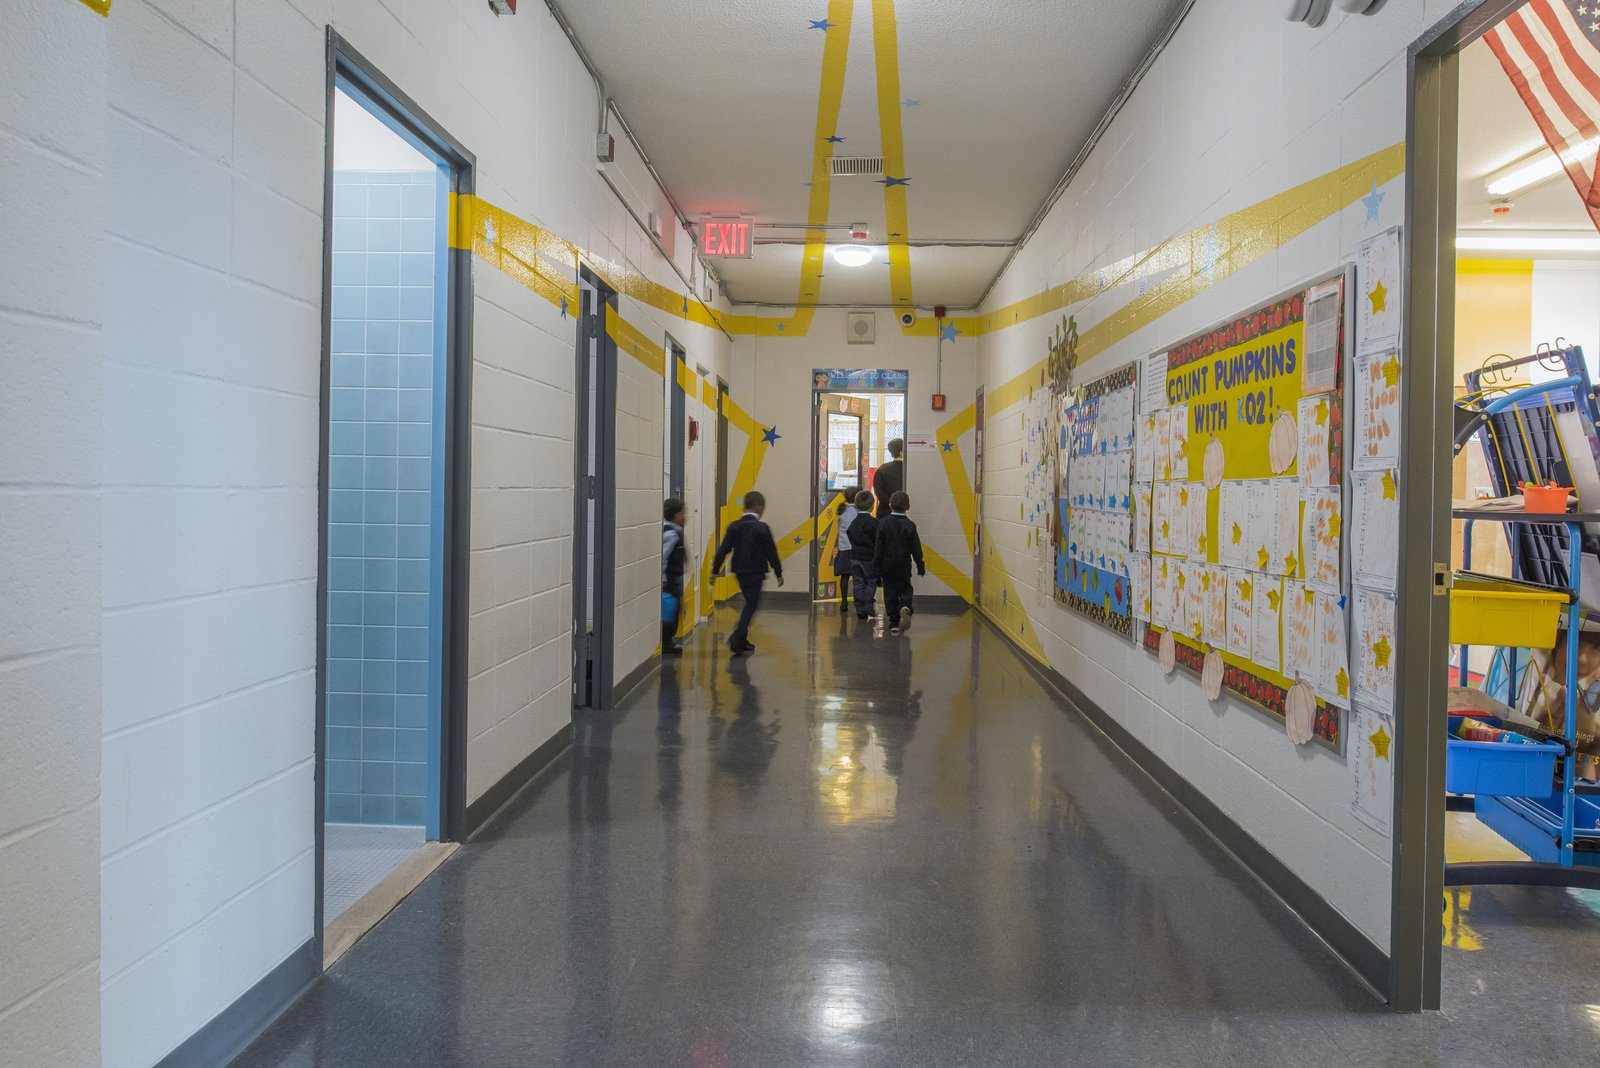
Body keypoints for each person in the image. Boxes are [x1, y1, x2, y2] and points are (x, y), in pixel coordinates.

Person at [712, 490, 783, 655]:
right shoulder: (762, 528)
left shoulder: (734, 527)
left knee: (749, 603)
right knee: (752, 605)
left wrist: (714, 571)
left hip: (739, 572)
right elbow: (771, 552)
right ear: (759, 508)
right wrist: (778, 572)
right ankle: (737, 639)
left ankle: (743, 640)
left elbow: (723, 550)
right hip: (756, 572)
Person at [873, 490, 925, 635]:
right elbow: (916, 548)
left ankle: (894, 623)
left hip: (887, 565)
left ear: (890, 505)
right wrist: (920, 564)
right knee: (905, 588)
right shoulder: (910, 525)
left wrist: (876, 567)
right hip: (903, 565)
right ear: (908, 506)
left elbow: (879, 548)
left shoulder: (883, 524)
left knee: (890, 592)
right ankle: (905, 606)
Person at [846, 490, 880, 620]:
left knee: (858, 582)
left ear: (856, 506)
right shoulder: (874, 523)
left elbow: (849, 534)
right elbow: (878, 541)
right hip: (870, 559)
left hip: (855, 557)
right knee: (871, 582)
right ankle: (867, 606)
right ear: (872, 507)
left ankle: (859, 607)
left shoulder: (853, 523)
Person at [661, 498, 688, 656]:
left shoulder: (675, 531)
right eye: (684, 512)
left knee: (676, 609)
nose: (686, 516)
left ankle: (668, 639)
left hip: (674, 578)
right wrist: (663, 580)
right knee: (671, 611)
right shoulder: (671, 533)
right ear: (677, 514)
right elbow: (663, 556)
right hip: (669, 579)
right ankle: (666, 641)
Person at [834, 489, 858, 607]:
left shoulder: (842, 511)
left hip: (844, 548)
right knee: (858, 577)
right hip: (856, 548)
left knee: (844, 577)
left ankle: (844, 601)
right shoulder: (858, 511)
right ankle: (858, 600)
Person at [872, 438, 905, 519]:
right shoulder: (909, 469)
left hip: (884, 513)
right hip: (904, 513)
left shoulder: (881, 469)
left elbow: (878, 492)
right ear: (901, 452)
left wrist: (890, 503)